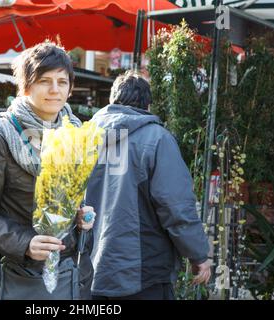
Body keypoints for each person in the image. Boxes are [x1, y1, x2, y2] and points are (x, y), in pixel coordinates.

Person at [0, 41, 95, 300]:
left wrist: (79, 217)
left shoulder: (76, 136)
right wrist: (24, 243)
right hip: (10, 275)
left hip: (67, 276)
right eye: (45, 81)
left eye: (62, 81)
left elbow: (67, 200)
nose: (54, 90)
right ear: (26, 86)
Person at [85, 70, 211, 300]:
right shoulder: (156, 139)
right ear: (147, 105)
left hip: (92, 270)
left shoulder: (83, 138)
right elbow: (176, 205)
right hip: (143, 271)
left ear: (112, 101)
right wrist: (198, 255)